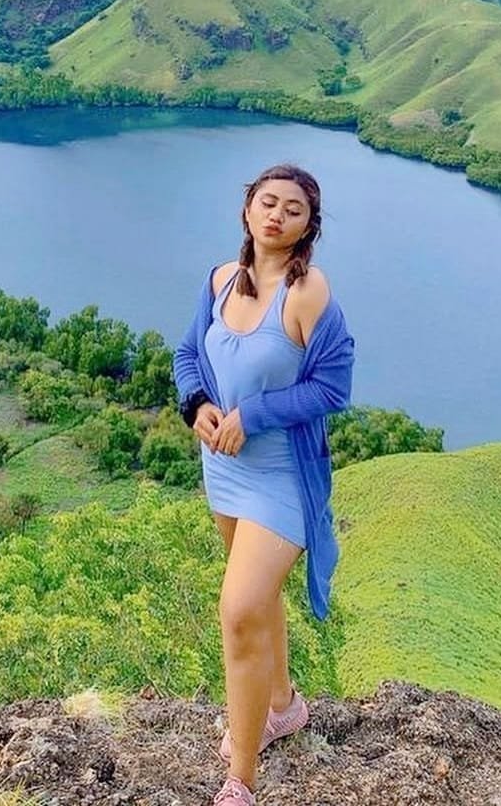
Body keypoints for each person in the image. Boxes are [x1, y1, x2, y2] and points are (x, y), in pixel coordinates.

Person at [173, 163, 355, 806]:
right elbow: (189, 352)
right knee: (259, 599)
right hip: (223, 466)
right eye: (267, 202)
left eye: (294, 209)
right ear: (248, 209)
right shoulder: (221, 280)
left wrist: (254, 414)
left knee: (240, 609)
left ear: (309, 227)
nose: (277, 214)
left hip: (280, 475)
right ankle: (280, 704)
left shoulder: (309, 295)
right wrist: (196, 405)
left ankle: (240, 779)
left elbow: (334, 387)